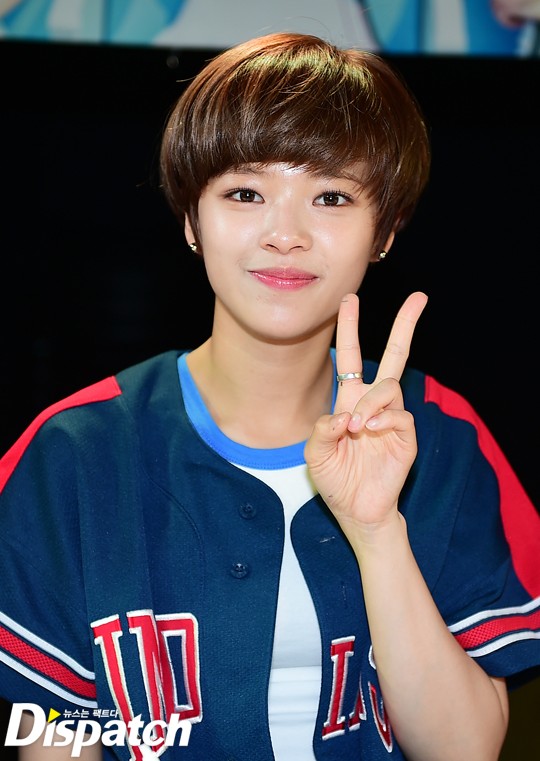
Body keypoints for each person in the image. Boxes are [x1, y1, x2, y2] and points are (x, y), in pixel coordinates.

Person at [0, 32, 539, 761]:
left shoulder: (443, 436)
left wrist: (379, 531)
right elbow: (52, 738)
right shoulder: (73, 452)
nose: (286, 234)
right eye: (246, 193)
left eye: (331, 196)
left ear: (384, 231)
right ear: (191, 220)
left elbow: (466, 749)